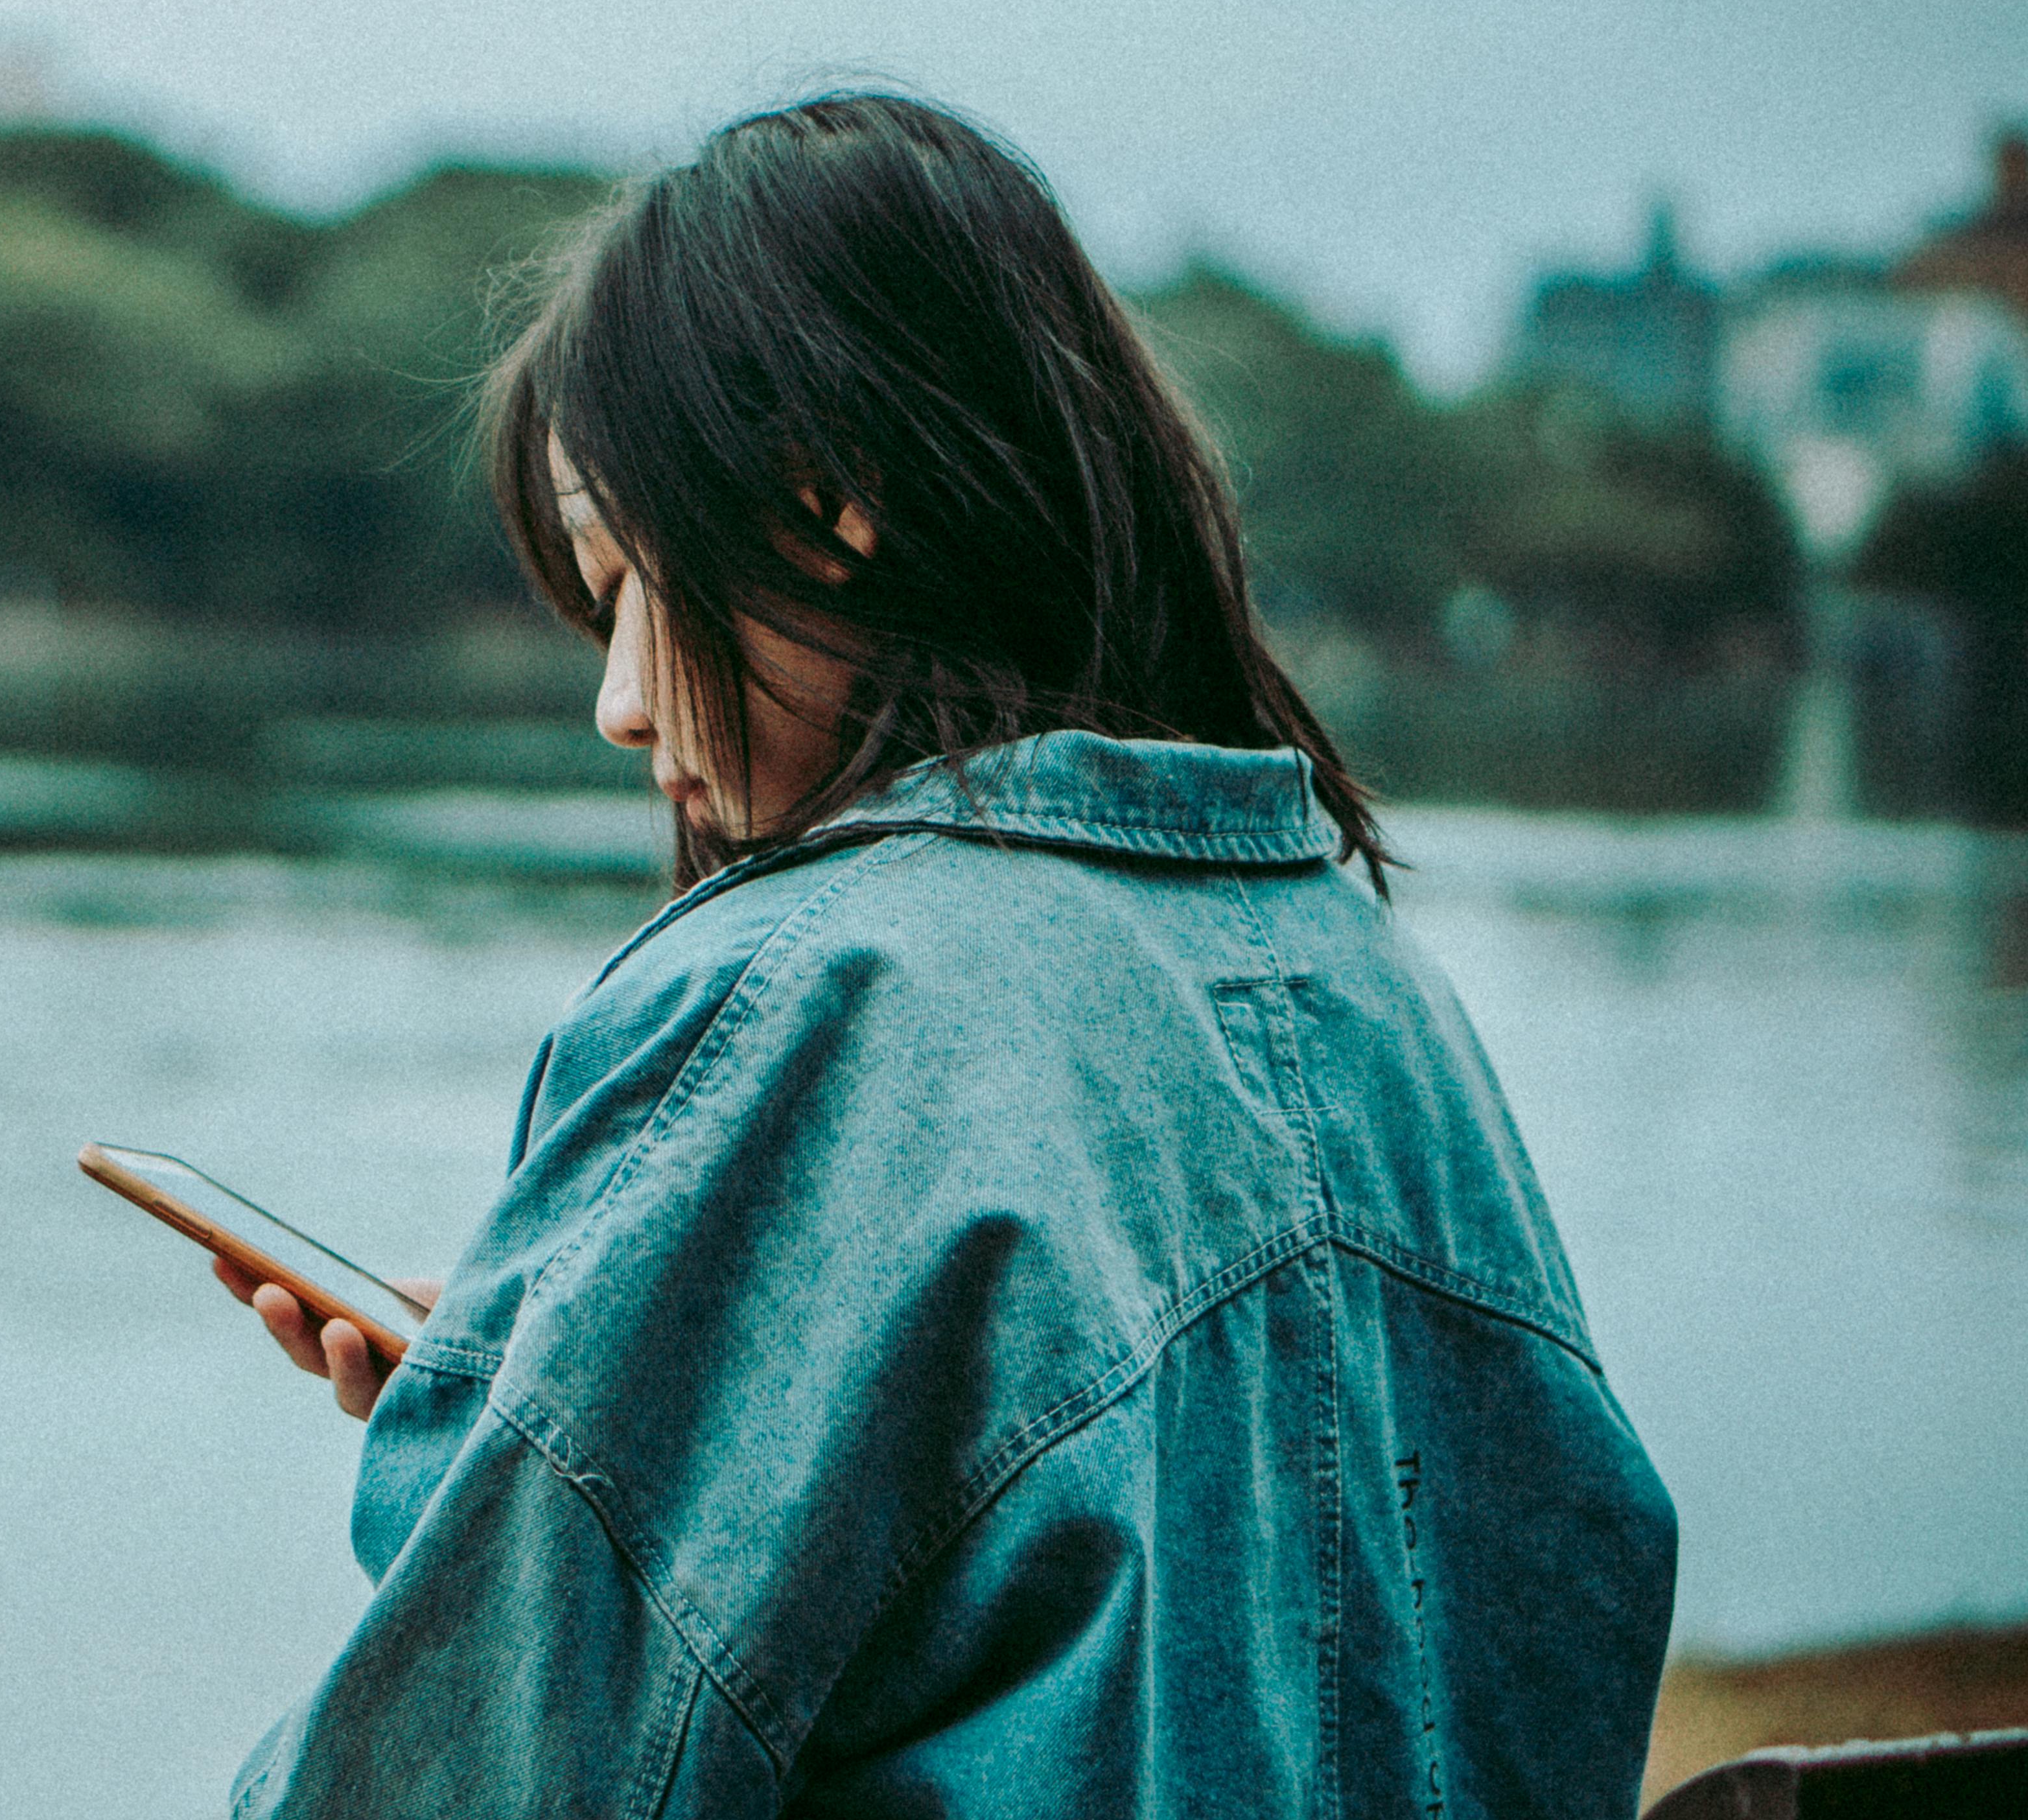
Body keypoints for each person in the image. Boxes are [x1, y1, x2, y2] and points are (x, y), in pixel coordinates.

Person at [210, 93, 1675, 1816]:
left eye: (627, 579)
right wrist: (581, 1390)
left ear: (827, 506)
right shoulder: (1378, 992)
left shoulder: (804, 1001)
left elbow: (465, 1786)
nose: (614, 703)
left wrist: (535, 1489)